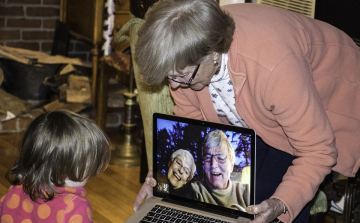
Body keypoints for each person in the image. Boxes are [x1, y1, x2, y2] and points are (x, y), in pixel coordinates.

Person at [133, 0, 360, 222]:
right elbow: (193, 127)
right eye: (169, 76)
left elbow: (317, 150)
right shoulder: (187, 63)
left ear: (213, 53)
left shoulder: (273, 67)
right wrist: (162, 179)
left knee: (272, 202)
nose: (174, 86)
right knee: (231, 199)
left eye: (182, 76)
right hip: (262, 115)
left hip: (329, 99)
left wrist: (281, 203)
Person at [0, 110, 111, 223]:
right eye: (91, 162)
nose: (93, 168)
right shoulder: (74, 206)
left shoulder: (16, 189)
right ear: (65, 166)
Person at [190, 130, 250, 211]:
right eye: (208, 157)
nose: (213, 165)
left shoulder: (246, 192)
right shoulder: (195, 190)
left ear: (231, 166)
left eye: (221, 158)